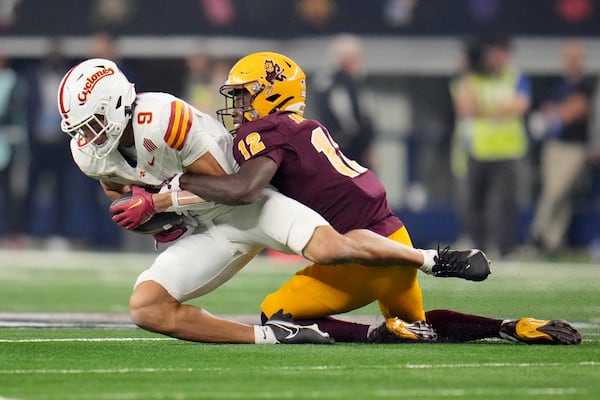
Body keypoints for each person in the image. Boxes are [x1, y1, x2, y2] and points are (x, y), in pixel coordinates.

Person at [57, 58, 490, 345]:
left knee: (330, 248)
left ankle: (432, 259)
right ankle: (271, 336)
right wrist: (150, 218)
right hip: (208, 227)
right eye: (78, 128)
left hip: (250, 204)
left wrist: (161, 203)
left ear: (118, 106)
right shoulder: (88, 153)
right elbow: (126, 199)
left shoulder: (164, 119)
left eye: (93, 123)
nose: (86, 137)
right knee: (145, 307)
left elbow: (227, 186)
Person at [179, 51, 580, 345]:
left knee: (275, 314)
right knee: (418, 324)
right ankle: (510, 326)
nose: (239, 105)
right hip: (394, 238)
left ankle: (376, 333)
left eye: (246, 95)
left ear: (270, 93)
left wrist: (181, 183)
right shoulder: (305, 128)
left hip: (357, 252)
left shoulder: (268, 131)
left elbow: (244, 190)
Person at [450, 35, 531, 258]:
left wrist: (486, 111)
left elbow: (520, 105)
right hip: (479, 150)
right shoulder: (474, 79)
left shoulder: (515, 77)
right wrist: (468, 74)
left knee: (505, 204)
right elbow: (465, 108)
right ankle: (480, 249)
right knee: (475, 204)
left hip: (507, 151)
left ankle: (506, 250)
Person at [529, 39, 597, 256]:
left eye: (574, 57)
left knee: (558, 192)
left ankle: (538, 234)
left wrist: (554, 115)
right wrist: (554, 114)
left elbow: (576, 109)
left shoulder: (586, 83)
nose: (571, 61)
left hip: (573, 147)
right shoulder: (560, 84)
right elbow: (549, 107)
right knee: (554, 191)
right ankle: (552, 242)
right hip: (555, 144)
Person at [312, 34, 375, 167]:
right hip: (345, 147)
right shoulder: (336, 83)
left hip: (349, 146)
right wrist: (362, 143)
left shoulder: (355, 82)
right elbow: (347, 118)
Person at [0, 51, 28, 248]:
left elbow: (18, 114)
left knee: (12, 192)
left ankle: (14, 232)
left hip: (9, 145)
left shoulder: (15, 82)